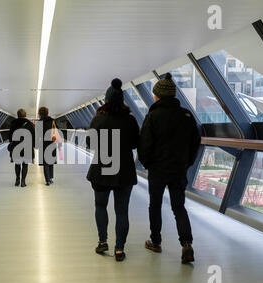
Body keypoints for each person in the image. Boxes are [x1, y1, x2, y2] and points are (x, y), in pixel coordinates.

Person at [137, 73, 201, 264]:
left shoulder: (153, 116)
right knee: (178, 206)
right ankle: (186, 244)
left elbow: (145, 144)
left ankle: (156, 241)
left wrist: (147, 163)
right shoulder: (186, 116)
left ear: (157, 96)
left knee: (155, 205)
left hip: (158, 170)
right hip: (178, 169)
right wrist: (187, 162)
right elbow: (195, 142)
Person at [86, 78, 140, 262]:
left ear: (106, 100)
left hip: (101, 169)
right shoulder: (130, 120)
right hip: (124, 170)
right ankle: (119, 249)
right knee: (122, 211)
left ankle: (102, 241)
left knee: (100, 205)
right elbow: (135, 143)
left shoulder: (98, 119)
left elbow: (90, 143)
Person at [8, 108, 35, 187]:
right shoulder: (29, 124)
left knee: (17, 164)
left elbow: (10, 136)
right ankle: (23, 181)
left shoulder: (13, 123)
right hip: (27, 146)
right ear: (25, 115)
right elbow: (33, 136)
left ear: (18, 115)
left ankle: (17, 180)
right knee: (25, 164)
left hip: (16, 146)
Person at [37, 107, 57, 186]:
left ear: (40, 113)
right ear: (47, 112)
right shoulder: (52, 121)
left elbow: (37, 135)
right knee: (51, 161)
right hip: (51, 143)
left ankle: (47, 180)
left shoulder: (39, 122)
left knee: (45, 163)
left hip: (43, 144)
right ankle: (51, 178)